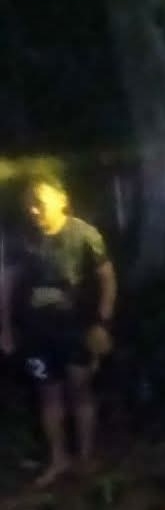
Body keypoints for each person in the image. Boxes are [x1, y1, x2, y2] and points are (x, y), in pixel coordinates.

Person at [0, 172, 117, 486]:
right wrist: (6, 328)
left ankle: (86, 457)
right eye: (30, 205)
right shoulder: (21, 239)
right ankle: (58, 460)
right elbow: (6, 283)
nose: (34, 211)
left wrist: (103, 322)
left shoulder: (84, 233)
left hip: (75, 327)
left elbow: (107, 278)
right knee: (48, 393)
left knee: (80, 389)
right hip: (37, 331)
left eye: (39, 203)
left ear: (60, 201)